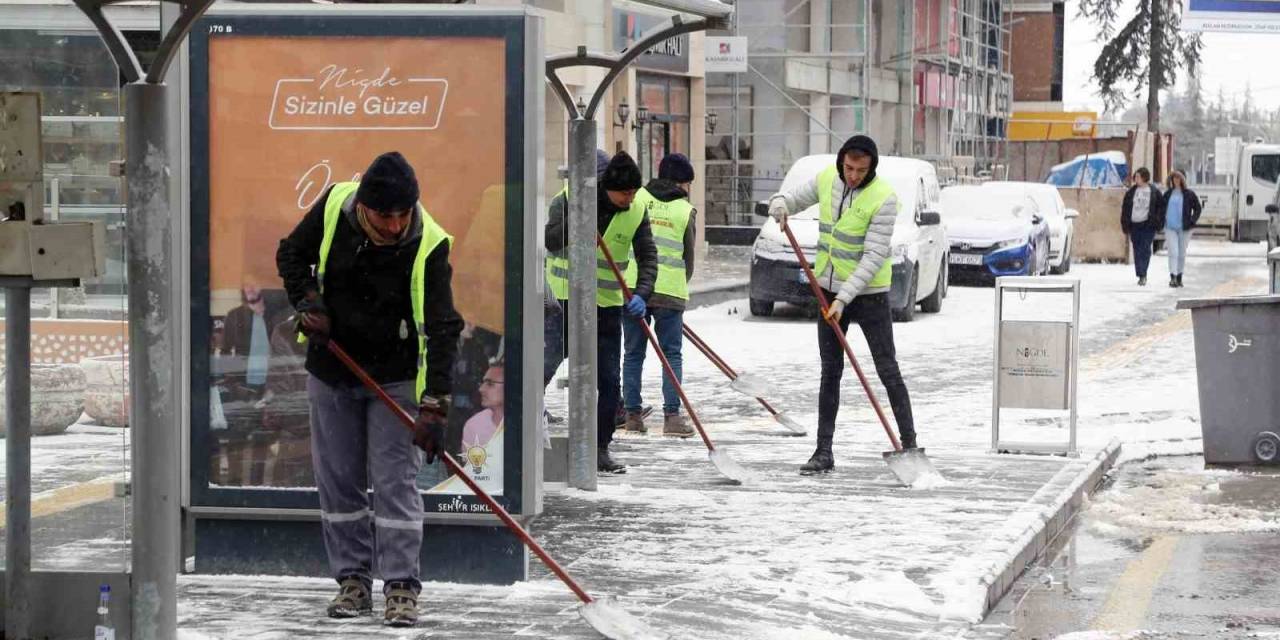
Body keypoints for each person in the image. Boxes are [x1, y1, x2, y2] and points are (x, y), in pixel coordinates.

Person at [276, 151, 463, 626]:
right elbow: (291, 253)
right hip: (332, 369)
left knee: (394, 481)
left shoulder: (429, 243)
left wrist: (435, 408)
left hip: (394, 377)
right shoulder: (335, 205)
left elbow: (443, 328)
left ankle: (401, 585)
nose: (397, 225)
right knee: (339, 480)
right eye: (386, 215)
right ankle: (352, 580)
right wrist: (307, 300)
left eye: (404, 214)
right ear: (364, 206)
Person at [767, 135, 918, 475]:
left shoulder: (884, 199)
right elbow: (791, 197)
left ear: (871, 168)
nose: (853, 176)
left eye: (861, 170)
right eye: (849, 168)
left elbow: (873, 256)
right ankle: (823, 451)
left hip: (869, 295)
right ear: (841, 163)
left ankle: (909, 443)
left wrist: (844, 299)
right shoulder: (827, 180)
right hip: (827, 291)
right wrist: (779, 205)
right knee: (830, 372)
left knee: (886, 368)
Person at [544, 151, 658, 474]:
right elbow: (550, 240)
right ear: (606, 187)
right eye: (624, 192)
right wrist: (580, 220)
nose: (630, 198)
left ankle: (599, 449)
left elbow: (648, 257)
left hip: (606, 306)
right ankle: (521, 438)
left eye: (634, 192)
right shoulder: (567, 200)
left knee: (608, 380)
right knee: (540, 369)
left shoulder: (636, 211)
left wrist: (642, 294)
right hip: (562, 304)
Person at [621, 153, 697, 437]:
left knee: (632, 354)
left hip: (633, 288)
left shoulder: (636, 198)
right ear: (679, 182)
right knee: (671, 355)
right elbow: (688, 256)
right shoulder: (685, 210)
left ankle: (632, 416)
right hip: (669, 292)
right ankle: (672, 418)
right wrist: (679, 282)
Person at [1121, 167, 1165, 286]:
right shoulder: (1131, 192)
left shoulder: (1154, 191)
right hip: (1135, 223)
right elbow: (1125, 208)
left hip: (1148, 224)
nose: (1136, 179)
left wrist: (1158, 222)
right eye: (1135, 177)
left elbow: (1161, 208)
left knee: (1145, 249)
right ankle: (1140, 272)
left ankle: (1143, 274)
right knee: (1137, 249)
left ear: (1145, 178)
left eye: (1138, 177)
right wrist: (1125, 224)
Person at [1162, 170, 1201, 288]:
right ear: (1171, 180)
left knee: (1181, 253)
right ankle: (1172, 277)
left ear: (1183, 180)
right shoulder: (1168, 194)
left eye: (1179, 178)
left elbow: (1198, 208)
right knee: (1173, 252)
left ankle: (1179, 276)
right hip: (1170, 227)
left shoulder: (1189, 194)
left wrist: (1192, 221)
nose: (1176, 180)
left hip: (1185, 228)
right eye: (1174, 178)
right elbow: (1161, 208)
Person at [461, 363, 504, 451]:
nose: (481, 389)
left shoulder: (530, 425)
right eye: (483, 382)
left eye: (490, 384)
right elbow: (472, 464)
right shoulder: (474, 426)